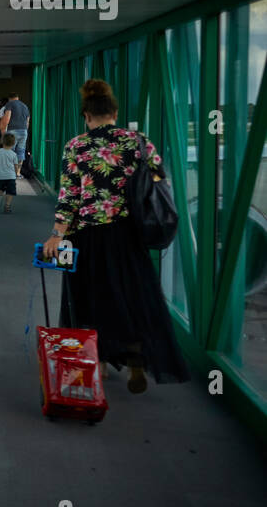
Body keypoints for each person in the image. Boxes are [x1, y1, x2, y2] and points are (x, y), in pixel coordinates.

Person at [41, 79, 190, 393]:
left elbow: (69, 197)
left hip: (87, 237)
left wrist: (56, 235)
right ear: (115, 112)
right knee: (131, 298)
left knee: (89, 299)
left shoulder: (76, 145)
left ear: (86, 115)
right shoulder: (138, 141)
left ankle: (100, 364)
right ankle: (136, 363)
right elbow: (159, 179)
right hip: (127, 236)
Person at [0, 93, 30, 165]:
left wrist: (3, 130)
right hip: (24, 131)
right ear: (17, 97)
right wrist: (25, 131)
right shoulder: (25, 106)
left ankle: (10, 171)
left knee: (9, 151)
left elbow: (7, 119)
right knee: (21, 151)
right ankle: (17, 173)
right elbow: (27, 122)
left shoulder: (10, 104)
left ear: (10, 98)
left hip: (13, 130)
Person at [0, 132, 19, 213]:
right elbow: (16, 166)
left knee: (0, 188)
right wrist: (16, 174)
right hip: (11, 176)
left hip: (0, 176)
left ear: (2, 142)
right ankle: (7, 206)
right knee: (10, 192)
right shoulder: (14, 154)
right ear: (13, 143)